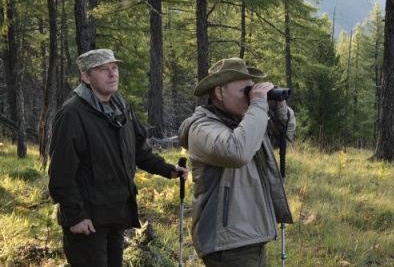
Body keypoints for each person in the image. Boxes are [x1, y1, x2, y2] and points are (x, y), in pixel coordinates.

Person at [48, 48, 189, 267]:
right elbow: (60, 173)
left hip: (116, 213)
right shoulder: (72, 114)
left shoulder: (121, 107)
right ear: (86, 77)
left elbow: (139, 150)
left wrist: (167, 169)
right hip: (87, 221)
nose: (112, 74)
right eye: (103, 70)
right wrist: (75, 216)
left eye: (114, 68)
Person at [179, 57, 294, 267]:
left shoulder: (244, 122)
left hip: (252, 235)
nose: (251, 97)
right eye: (245, 91)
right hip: (227, 243)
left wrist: (278, 108)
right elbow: (236, 152)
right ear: (219, 92)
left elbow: (282, 137)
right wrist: (258, 104)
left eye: (253, 90)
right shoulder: (201, 128)